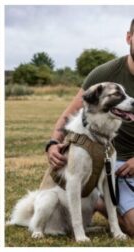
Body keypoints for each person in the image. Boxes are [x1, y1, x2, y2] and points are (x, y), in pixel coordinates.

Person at [45, 19, 134, 236]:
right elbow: (69, 115)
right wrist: (52, 144)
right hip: (117, 164)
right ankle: (99, 199)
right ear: (129, 38)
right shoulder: (105, 74)